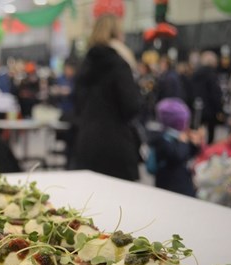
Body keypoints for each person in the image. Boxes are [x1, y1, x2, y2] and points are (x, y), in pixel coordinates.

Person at [72, 14, 141, 181]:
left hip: (86, 141)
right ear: (117, 34)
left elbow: (76, 103)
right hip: (115, 143)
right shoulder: (119, 65)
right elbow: (131, 106)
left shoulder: (84, 65)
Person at [147, 98, 203, 197]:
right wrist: (183, 142)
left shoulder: (177, 137)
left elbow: (189, 153)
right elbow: (177, 155)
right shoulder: (163, 139)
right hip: (170, 184)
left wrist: (195, 143)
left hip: (180, 183)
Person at [191, 51, 223, 144]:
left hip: (197, 107)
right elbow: (215, 92)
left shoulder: (195, 73)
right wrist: (219, 109)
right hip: (210, 108)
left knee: (196, 129)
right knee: (210, 132)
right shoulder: (212, 75)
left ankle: (196, 146)